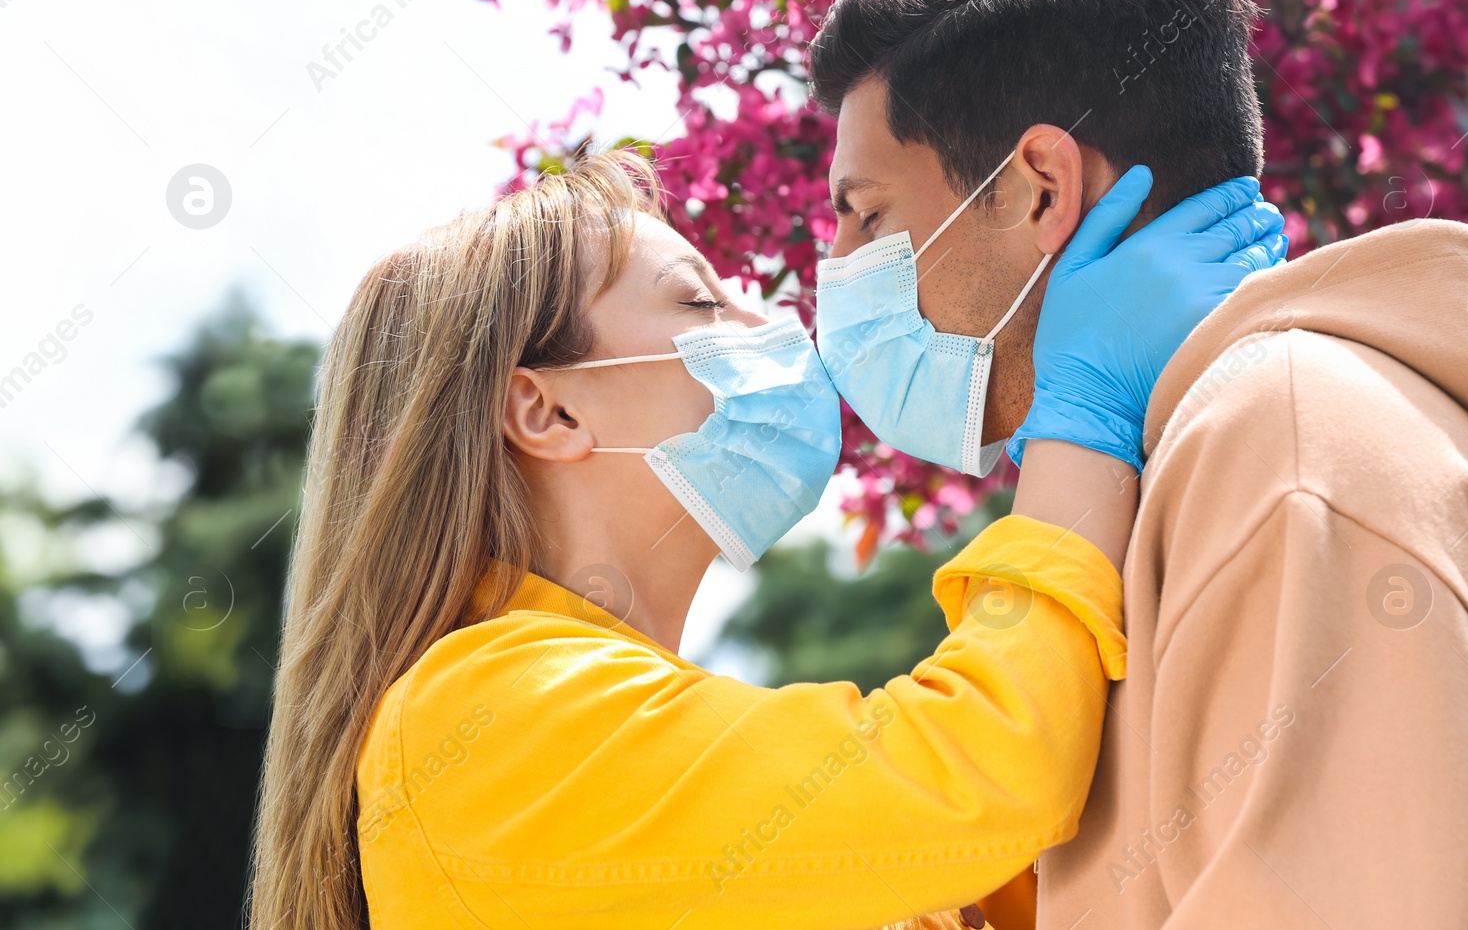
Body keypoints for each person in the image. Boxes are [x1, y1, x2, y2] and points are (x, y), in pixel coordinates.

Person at [246, 149, 1284, 929]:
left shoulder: (617, 739)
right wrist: (1081, 411)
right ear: (547, 412)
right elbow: (983, 775)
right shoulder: (470, 724)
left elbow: (1000, 859)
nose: (770, 322)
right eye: (700, 300)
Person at [810, 0, 1468, 928]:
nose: (836, 271)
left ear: (1037, 189)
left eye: (865, 213)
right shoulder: (1192, 463)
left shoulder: (1282, 439)